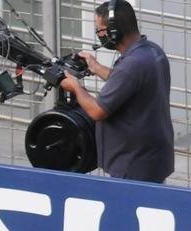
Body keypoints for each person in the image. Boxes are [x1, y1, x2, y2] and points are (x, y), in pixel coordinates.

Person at [58, 0, 174, 183]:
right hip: (153, 157)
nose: (99, 35)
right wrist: (96, 67)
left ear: (114, 31)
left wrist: (75, 86)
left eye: (100, 30)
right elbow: (129, 82)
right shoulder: (152, 51)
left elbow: (97, 110)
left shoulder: (131, 65)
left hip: (133, 164)